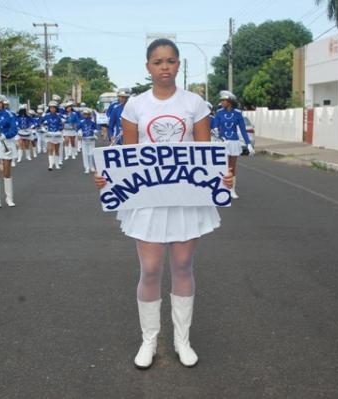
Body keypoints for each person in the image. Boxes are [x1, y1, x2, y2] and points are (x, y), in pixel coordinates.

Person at [95, 39, 233, 370]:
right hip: (148, 197)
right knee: (151, 268)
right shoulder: (135, 106)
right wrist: (108, 179)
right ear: (148, 67)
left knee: (183, 266)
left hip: (186, 195)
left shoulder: (195, 103)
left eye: (171, 61)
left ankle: (181, 340)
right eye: (158, 62)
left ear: (179, 65)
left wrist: (221, 178)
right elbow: (126, 157)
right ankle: (149, 340)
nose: (165, 67)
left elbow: (205, 151)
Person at [214, 90, 255, 199]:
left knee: (232, 167)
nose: (222, 102)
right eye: (221, 100)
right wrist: (216, 132)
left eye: (224, 100)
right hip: (223, 142)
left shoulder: (237, 114)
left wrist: (248, 144)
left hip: (233, 142)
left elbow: (243, 130)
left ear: (229, 101)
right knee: (223, 166)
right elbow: (215, 125)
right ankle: (222, 188)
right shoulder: (219, 113)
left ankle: (231, 189)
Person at [42, 101, 64, 171]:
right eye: (51, 108)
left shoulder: (59, 115)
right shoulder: (46, 115)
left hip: (57, 133)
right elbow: (40, 121)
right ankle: (50, 164)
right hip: (49, 133)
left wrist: (61, 129)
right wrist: (43, 128)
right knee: (50, 149)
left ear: (56, 108)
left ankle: (57, 164)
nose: (52, 109)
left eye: (53, 108)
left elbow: (63, 122)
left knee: (56, 150)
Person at [77, 108, 99, 174]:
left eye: (87, 114)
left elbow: (96, 129)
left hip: (91, 139)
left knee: (91, 154)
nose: (85, 115)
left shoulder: (92, 122)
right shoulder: (81, 122)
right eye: (84, 114)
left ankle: (92, 166)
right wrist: (79, 132)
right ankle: (87, 168)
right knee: (85, 154)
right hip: (84, 140)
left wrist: (95, 132)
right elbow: (77, 129)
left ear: (89, 115)